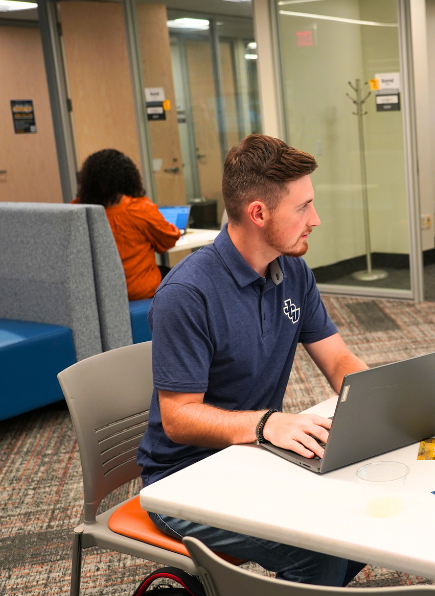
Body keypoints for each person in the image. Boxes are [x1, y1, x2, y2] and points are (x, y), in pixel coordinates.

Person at [137, 134, 368, 586]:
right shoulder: (188, 294)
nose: (315, 219)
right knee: (318, 551)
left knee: (359, 521)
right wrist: (266, 424)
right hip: (182, 480)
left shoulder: (292, 270)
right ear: (258, 213)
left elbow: (338, 359)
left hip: (256, 457)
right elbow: (178, 418)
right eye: (302, 208)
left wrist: (385, 399)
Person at [73, 149, 181, 300]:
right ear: (128, 179)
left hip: (96, 295)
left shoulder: (75, 211)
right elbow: (168, 240)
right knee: (179, 277)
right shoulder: (138, 209)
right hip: (137, 291)